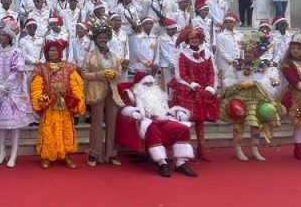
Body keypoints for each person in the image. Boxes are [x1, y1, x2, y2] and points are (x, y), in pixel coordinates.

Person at [219, 31, 284, 162]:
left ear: (257, 52)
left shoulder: (266, 64)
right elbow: (229, 79)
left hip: (257, 96)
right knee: (238, 124)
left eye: (250, 52)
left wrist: (253, 83)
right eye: (246, 52)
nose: (247, 54)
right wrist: (238, 85)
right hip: (239, 96)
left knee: (256, 125)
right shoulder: (237, 64)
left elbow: (272, 79)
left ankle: (254, 149)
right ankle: (238, 149)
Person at [120, 72, 197, 178]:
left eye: (151, 83)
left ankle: (180, 163)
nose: (150, 86)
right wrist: (133, 112)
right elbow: (124, 107)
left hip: (164, 118)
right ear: (139, 84)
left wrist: (179, 112)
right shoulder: (131, 93)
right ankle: (162, 163)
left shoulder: (159, 94)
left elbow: (170, 106)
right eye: (147, 84)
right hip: (146, 120)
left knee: (183, 128)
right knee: (151, 128)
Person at [0, 19, 34, 167]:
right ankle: (2, 151)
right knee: (1, 124)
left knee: (14, 125)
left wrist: (6, 85)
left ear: (10, 37)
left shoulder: (16, 52)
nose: (0, 37)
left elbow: (17, 71)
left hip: (13, 92)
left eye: (3, 35)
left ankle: (14, 153)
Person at [30, 38, 85, 169]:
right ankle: (46, 156)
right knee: (48, 130)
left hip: (64, 105)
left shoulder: (69, 67)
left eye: (54, 50)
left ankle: (67, 156)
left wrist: (76, 100)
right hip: (49, 105)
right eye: (50, 50)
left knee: (66, 130)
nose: (52, 53)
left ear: (60, 51)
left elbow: (76, 86)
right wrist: (40, 100)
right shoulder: (41, 68)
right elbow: (36, 87)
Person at [169, 28, 218, 162]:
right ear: (187, 40)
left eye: (196, 38)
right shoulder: (182, 54)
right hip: (187, 90)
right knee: (186, 121)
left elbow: (212, 72)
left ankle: (202, 150)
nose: (194, 40)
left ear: (200, 39)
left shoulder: (207, 53)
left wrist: (210, 87)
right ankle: (184, 152)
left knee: (200, 121)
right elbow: (181, 74)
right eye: (191, 38)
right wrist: (193, 84)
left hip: (204, 91)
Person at [81, 25, 125, 166]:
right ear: (95, 39)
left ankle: (110, 153)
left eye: (105, 38)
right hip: (96, 92)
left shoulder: (113, 55)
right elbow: (84, 73)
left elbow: (119, 71)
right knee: (97, 123)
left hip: (112, 92)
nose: (103, 40)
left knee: (112, 123)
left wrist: (114, 74)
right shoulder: (89, 55)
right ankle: (94, 153)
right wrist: (100, 74)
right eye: (100, 38)